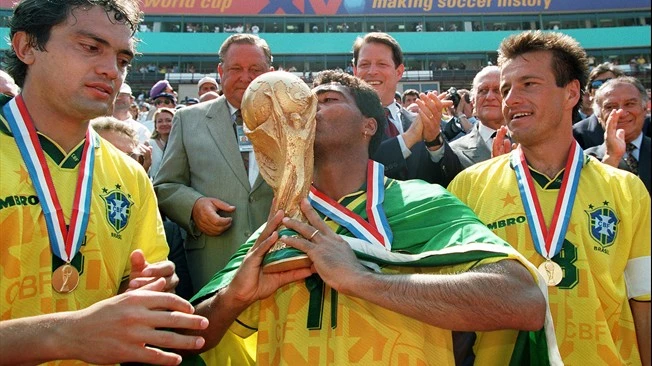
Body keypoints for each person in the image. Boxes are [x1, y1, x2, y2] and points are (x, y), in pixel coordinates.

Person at [181, 70, 559, 365]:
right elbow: (190, 341)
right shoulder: (280, 225)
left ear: (369, 125)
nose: (308, 108)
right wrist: (234, 298)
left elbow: (524, 301)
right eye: (304, 101)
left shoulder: (422, 202)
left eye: (326, 99)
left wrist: (361, 280)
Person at [0, 0, 208, 364]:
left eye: (123, 60)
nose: (112, 70)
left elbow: (138, 300)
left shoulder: (130, 176)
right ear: (26, 46)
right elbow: (81, 330)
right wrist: (67, 334)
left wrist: (144, 292)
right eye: (90, 47)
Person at [448, 30, 650, 365]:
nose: (510, 99)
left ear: (571, 92)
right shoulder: (468, 187)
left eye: (529, 84)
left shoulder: (626, 190)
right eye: (506, 89)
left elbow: (643, 301)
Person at [154, 33, 274, 292]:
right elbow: (165, 186)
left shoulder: (290, 121)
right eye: (236, 69)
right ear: (221, 71)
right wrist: (194, 206)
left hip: (276, 261)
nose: (246, 77)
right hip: (212, 265)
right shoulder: (188, 120)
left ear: (271, 72)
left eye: (255, 69)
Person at [352, 32, 462, 186]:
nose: (372, 71)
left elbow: (453, 179)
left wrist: (434, 142)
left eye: (382, 64)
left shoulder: (420, 120)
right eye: (364, 64)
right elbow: (351, 171)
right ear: (355, 70)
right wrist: (409, 138)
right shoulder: (342, 121)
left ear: (399, 71)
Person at [586, 76, 651, 194]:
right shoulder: (584, 160)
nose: (621, 113)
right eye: (610, 107)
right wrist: (611, 159)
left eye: (630, 104)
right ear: (599, 116)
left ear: (645, 109)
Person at [448, 66, 506, 169]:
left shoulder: (531, 143)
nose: (489, 97)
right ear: (473, 101)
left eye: (497, 91)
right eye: (483, 90)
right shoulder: (453, 152)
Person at [572, 62, 625, 148]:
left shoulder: (643, 124)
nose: (604, 87)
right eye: (597, 84)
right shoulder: (577, 132)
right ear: (590, 94)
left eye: (609, 81)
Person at [148, 107, 174, 180]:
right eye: (160, 121)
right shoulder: (149, 144)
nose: (164, 124)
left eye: (168, 120)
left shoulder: (181, 144)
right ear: (155, 126)